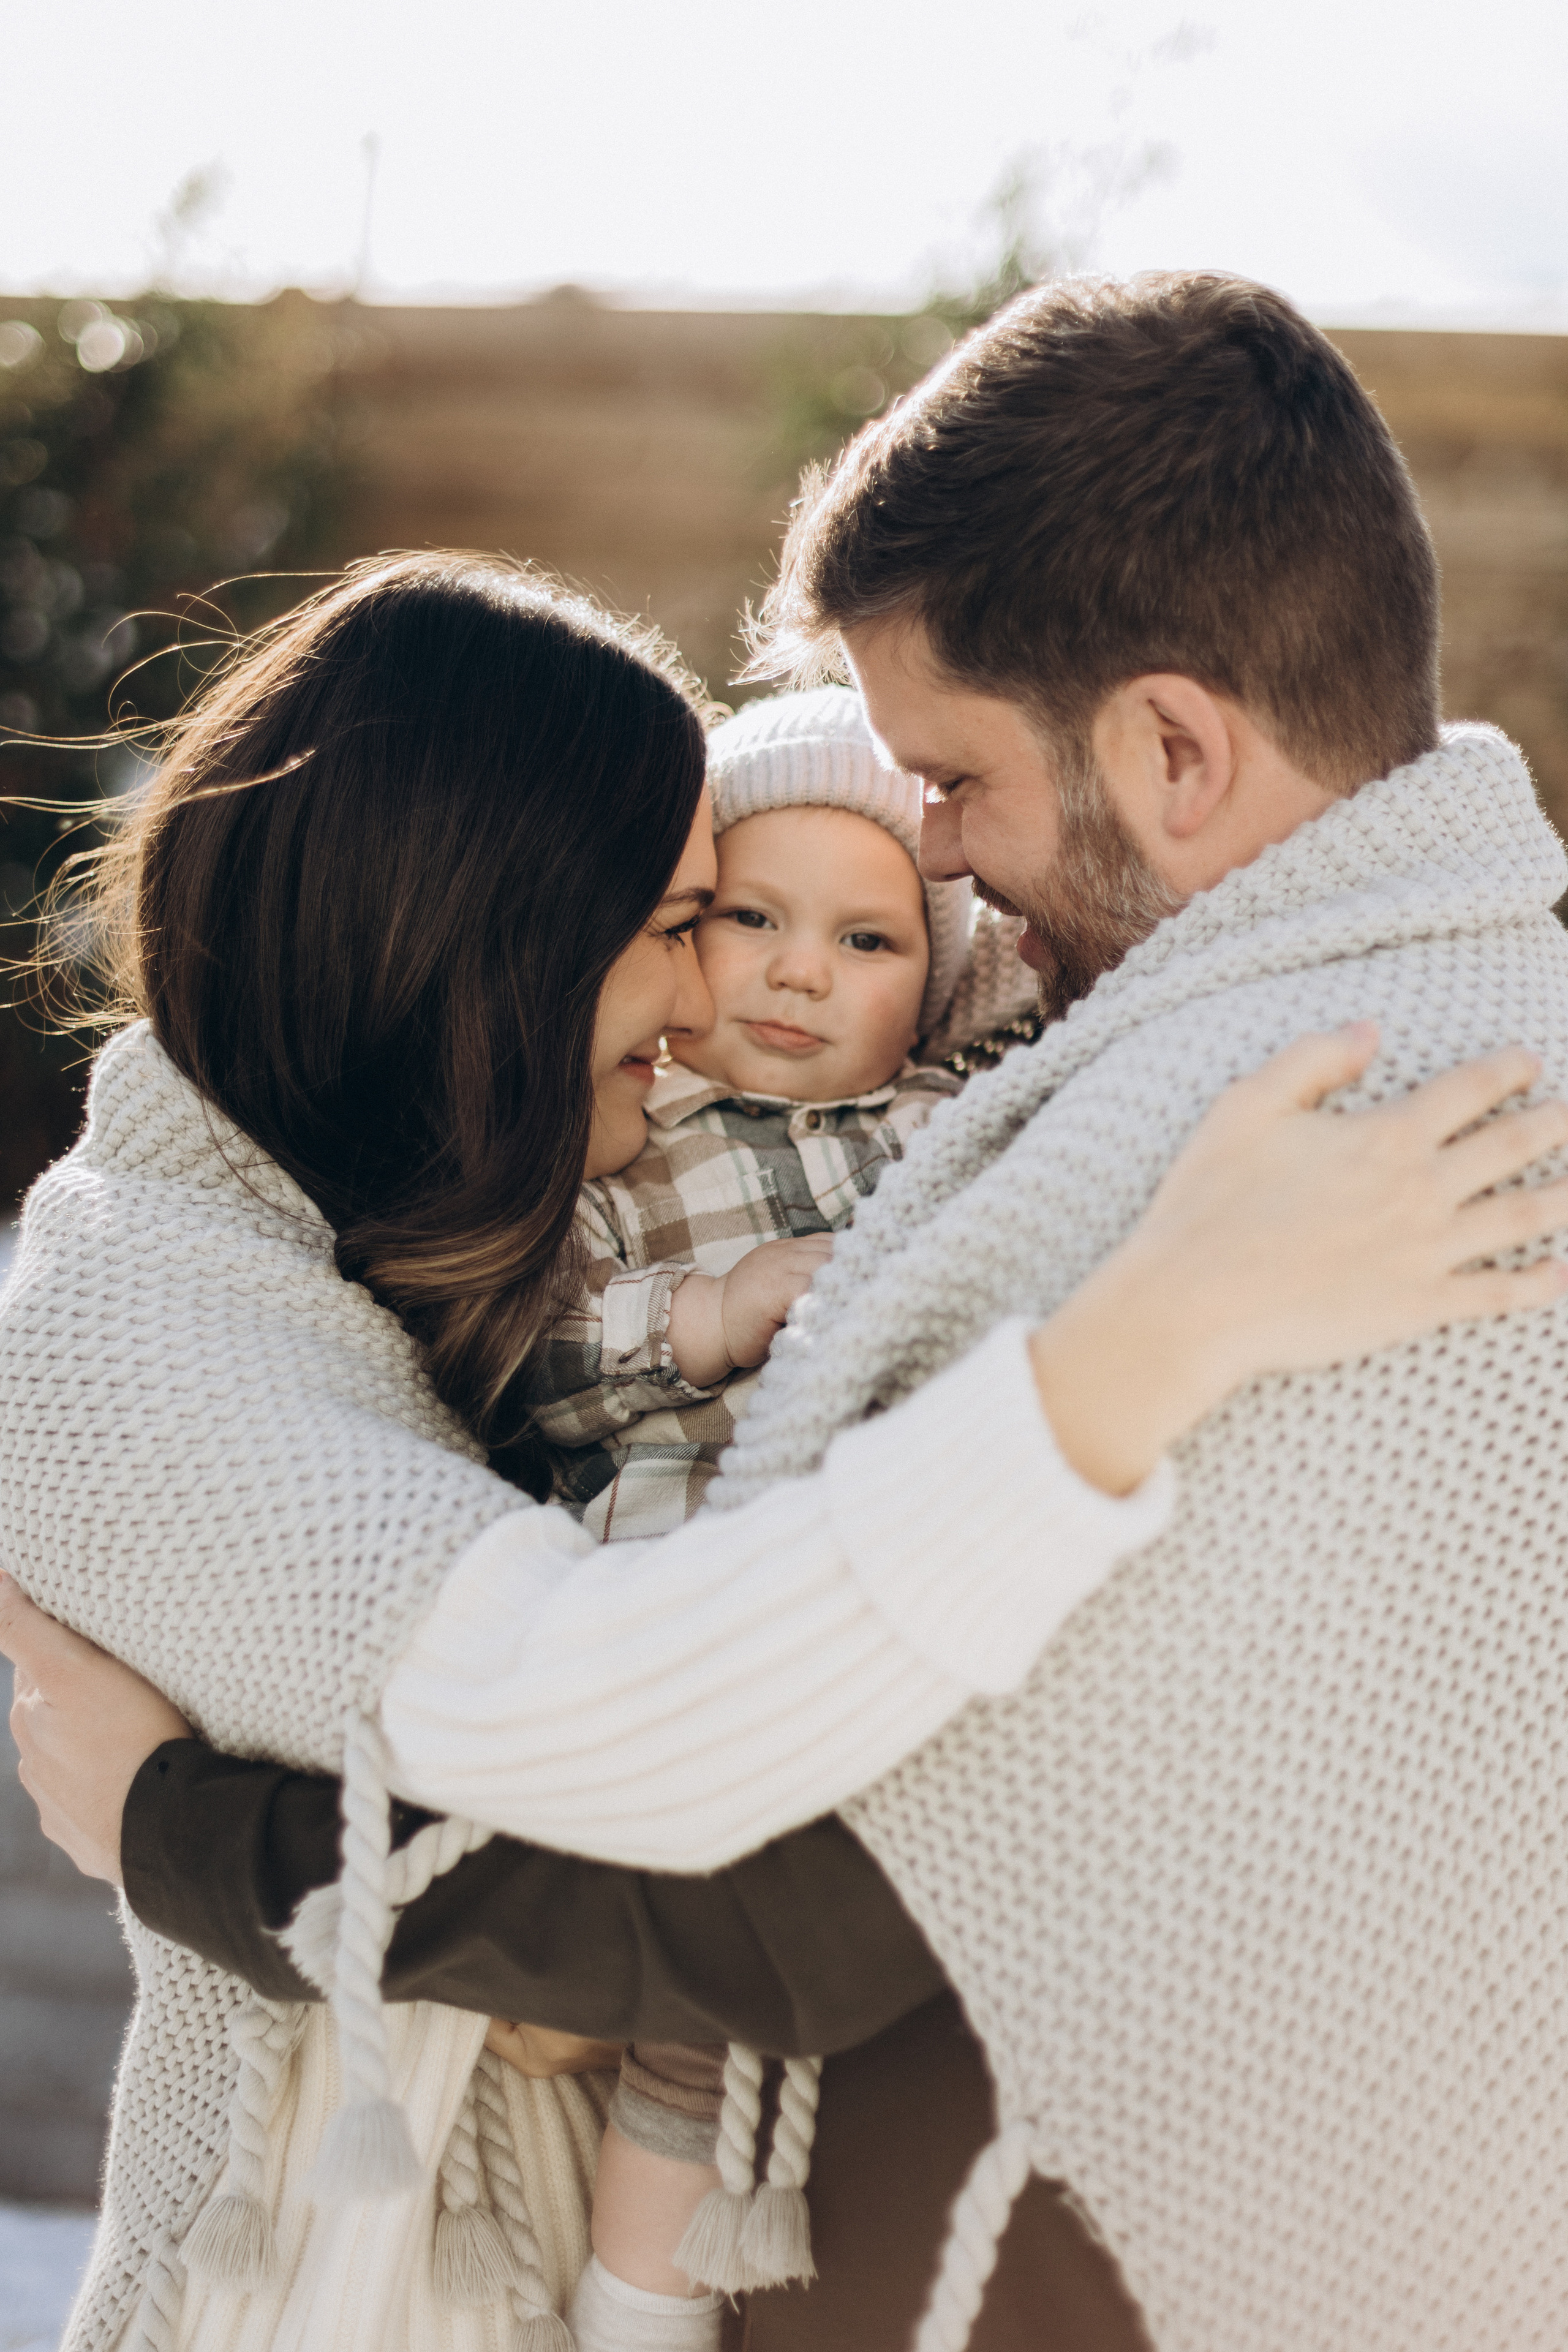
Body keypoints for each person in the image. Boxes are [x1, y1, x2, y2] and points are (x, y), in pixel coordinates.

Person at [8, 273, 1568, 2352]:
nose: (921, 871)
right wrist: (1141, 1344)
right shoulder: (146, 1315)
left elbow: (778, 1900)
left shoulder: (1266, 1110)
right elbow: (613, 1721)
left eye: (953, 785)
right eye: (696, 923)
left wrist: (174, 1835)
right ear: (486, 950)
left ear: (1174, 750)